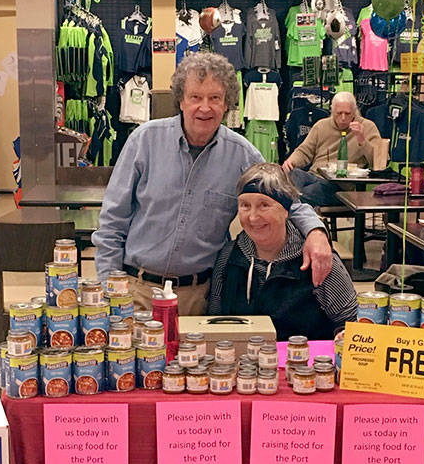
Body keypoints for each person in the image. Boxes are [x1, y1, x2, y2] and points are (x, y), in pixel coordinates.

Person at [93, 53, 333, 317]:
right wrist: (109, 289)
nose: (204, 108)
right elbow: (112, 224)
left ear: (227, 103)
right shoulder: (143, 142)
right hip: (135, 293)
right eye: (195, 97)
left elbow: (288, 202)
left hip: (200, 299)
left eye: (214, 98)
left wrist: (316, 233)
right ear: (181, 101)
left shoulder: (243, 155)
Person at [208, 164, 357, 338]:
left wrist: (344, 335)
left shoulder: (318, 259)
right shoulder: (229, 256)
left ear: (287, 210)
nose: (253, 217)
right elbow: (214, 319)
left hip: (305, 362)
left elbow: (351, 320)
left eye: (264, 205)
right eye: (245, 205)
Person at [281, 91, 379, 207]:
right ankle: (290, 208)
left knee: (305, 193)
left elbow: (377, 162)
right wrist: (291, 161)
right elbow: (304, 150)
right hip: (316, 175)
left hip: (340, 186)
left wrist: (362, 140)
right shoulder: (321, 125)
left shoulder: (367, 126)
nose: (343, 118)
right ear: (332, 111)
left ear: (354, 112)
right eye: (339, 113)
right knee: (293, 176)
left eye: (347, 114)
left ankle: (291, 211)